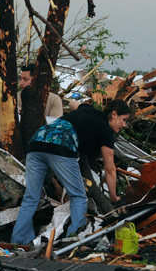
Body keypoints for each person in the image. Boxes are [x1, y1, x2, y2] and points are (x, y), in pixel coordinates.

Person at [11, 99, 131, 245]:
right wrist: (113, 197)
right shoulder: (105, 131)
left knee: (31, 198)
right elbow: (110, 168)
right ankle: (73, 241)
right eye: (124, 120)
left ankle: (18, 243)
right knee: (79, 196)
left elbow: (73, 103)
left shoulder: (87, 109)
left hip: (37, 140)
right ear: (113, 114)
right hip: (61, 145)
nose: (124, 125)